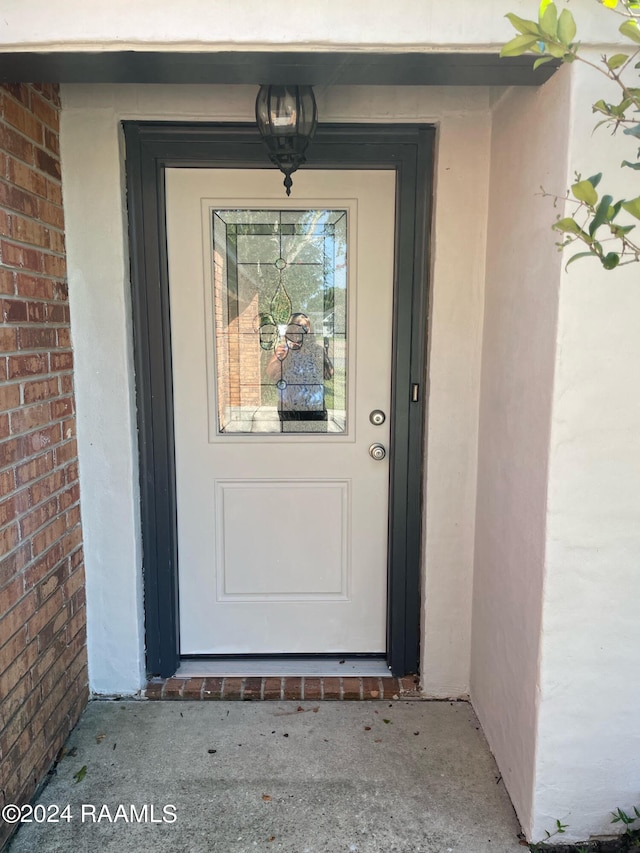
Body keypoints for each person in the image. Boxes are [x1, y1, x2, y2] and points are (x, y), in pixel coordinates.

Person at [265, 313, 333, 423]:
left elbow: (329, 374)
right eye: (296, 326)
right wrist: (281, 359)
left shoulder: (317, 350)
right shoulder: (283, 349)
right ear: (290, 329)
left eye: (304, 327)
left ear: (310, 330)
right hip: (288, 410)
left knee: (319, 440)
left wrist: (322, 357)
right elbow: (270, 373)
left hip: (315, 409)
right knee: (291, 440)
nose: (300, 330)